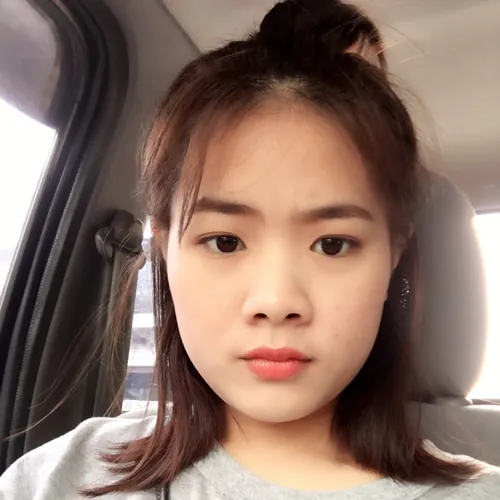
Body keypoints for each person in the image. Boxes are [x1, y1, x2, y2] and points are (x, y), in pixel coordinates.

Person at [1, 0, 499, 498]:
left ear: (393, 257)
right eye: (225, 241)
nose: (276, 302)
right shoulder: (55, 480)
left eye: (332, 245)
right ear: (165, 249)